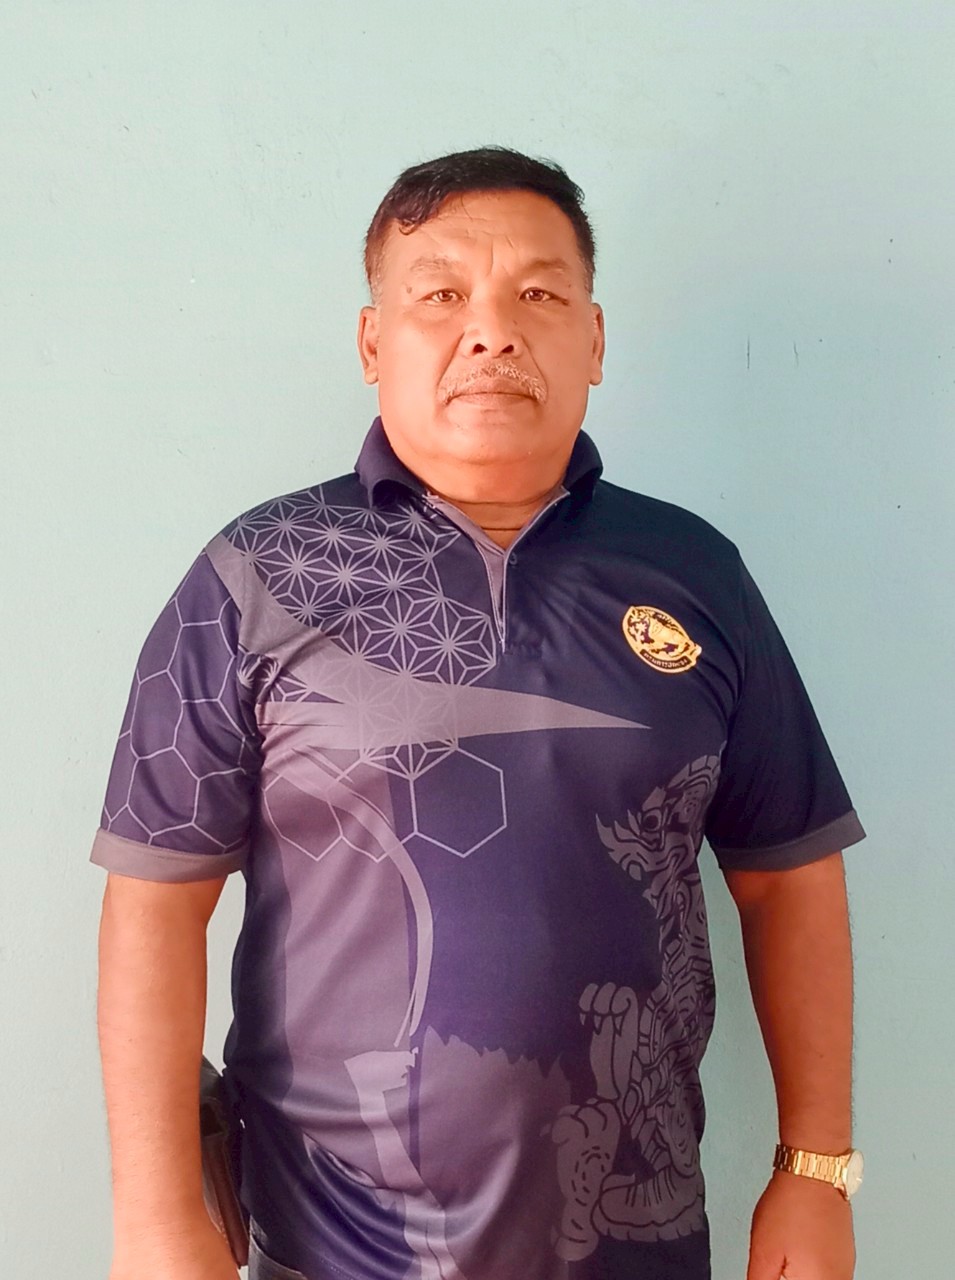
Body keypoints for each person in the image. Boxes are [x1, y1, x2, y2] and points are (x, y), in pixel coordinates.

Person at [94, 146, 864, 1280]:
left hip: (638, 1244)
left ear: (593, 339)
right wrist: (158, 1217)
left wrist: (815, 1167)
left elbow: (786, 875)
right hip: (328, 1245)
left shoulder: (696, 573)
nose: (491, 333)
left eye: (538, 295)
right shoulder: (257, 576)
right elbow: (155, 903)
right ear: (373, 343)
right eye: (442, 295)